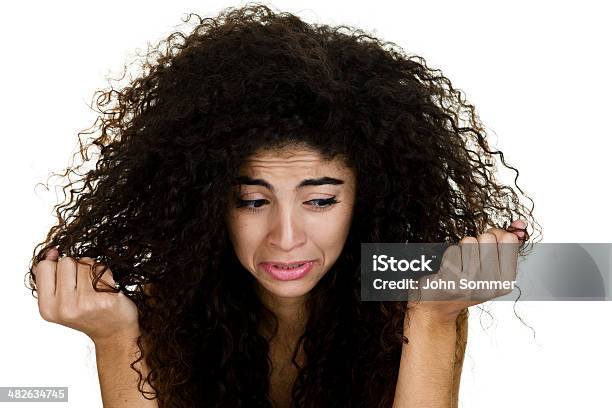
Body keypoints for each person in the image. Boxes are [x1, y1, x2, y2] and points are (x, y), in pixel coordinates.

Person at [26, 4, 538, 408]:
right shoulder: (173, 307)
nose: (286, 236)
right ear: (210, 203)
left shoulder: (414, 297)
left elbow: (586, 275)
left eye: (319, 200)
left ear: (367, 197)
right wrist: (116, 340)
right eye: (253, 200)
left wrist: (433, 320)